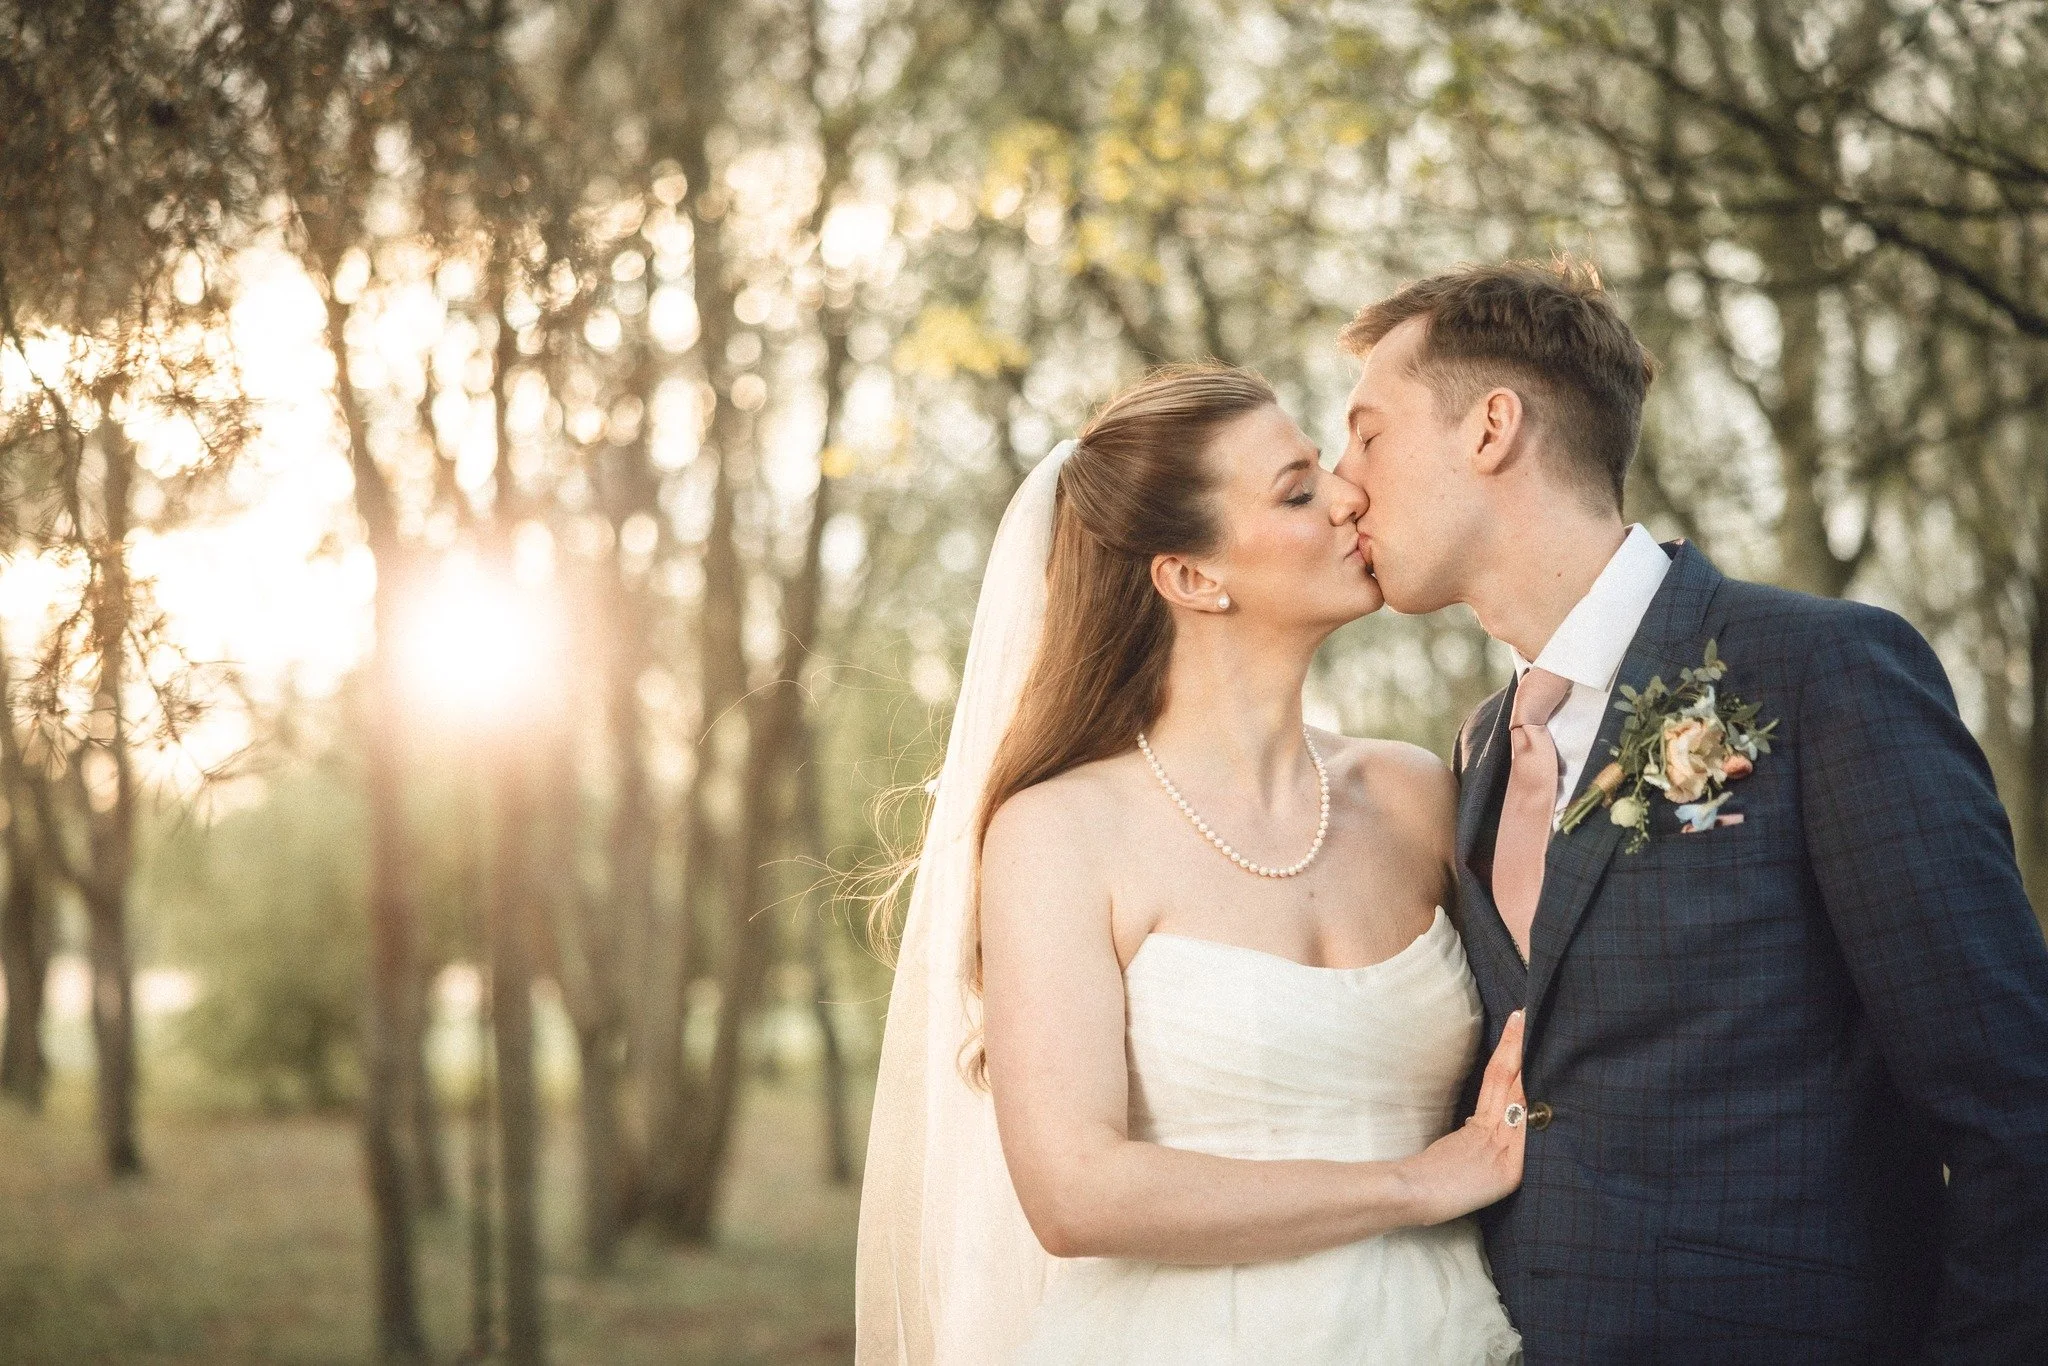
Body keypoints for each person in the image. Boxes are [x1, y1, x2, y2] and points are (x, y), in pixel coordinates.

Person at [1334, 258, 2048, 1362]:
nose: (1342, 484)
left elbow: (2015, 1112)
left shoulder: (1823, 676)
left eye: (1367, 434)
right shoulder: (1478, 748)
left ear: (1489, 430)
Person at [856, 363, 1524, 1363]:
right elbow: (1075, 1191)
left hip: (1443, 1331)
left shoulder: (1415, 789)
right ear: (1190, 576)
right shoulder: (1059, 833)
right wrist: (1416, 1183)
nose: (1349, 496)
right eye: (1296, 491)